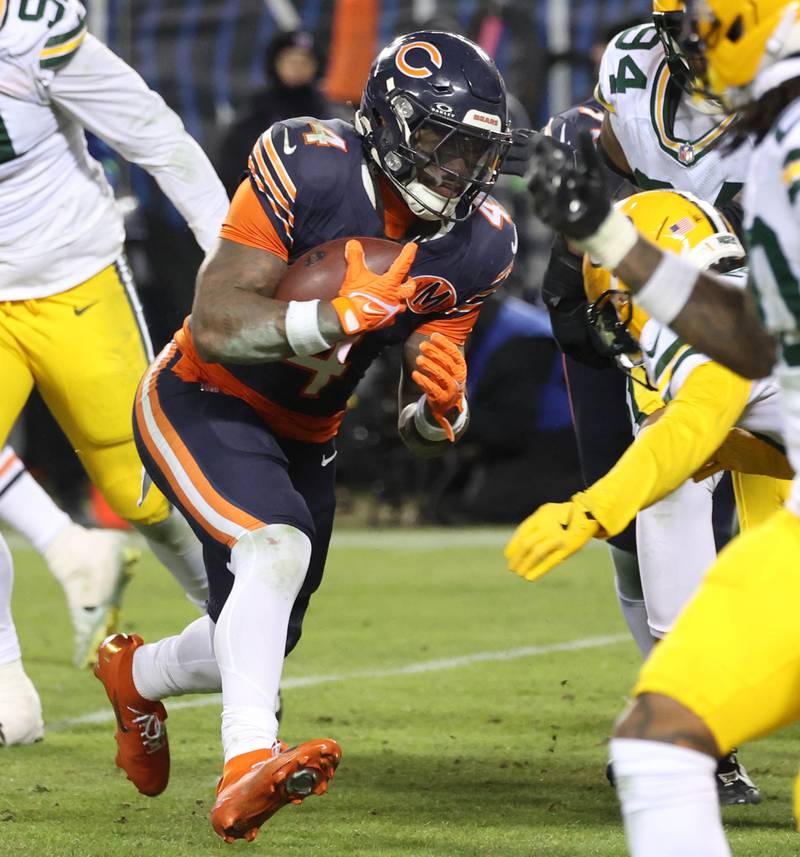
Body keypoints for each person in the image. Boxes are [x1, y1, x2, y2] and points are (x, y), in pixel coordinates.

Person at [93, 31, 517, 843]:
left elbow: (424, 410)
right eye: (441, 144)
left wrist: (442, 410)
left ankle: (135, 674)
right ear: (390, 124)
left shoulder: (480, 242)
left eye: (474, 153)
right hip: (203, 395)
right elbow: (217, 322)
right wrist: (327, 316)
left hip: (306, 434)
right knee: (274, 550)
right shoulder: (312, 164)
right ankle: (246, 760)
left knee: (257, 636)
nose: (458, 171)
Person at [523, 2, 800, 853]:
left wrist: (596, 503)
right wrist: (604, 231)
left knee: (705, 481)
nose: (693, 43)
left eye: (707, 24)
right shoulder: (682, 87)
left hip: (736, 329)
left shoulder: (778, 131)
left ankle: (699, 711)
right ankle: (696, 712)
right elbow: (739, 348)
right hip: (723, 320)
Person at [0, 0, 229, 741]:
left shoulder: (31, 35)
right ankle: (7, 686)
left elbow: (154, 133)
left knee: (141, 491)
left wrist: (228, 256)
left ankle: (235, 626)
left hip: (71, 279)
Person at [217, 29, 331, 196]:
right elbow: (233, 172)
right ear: (275, 64)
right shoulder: (254, 115)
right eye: (290, 61)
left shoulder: (330, 117)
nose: (297, 68)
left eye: (305, 62)